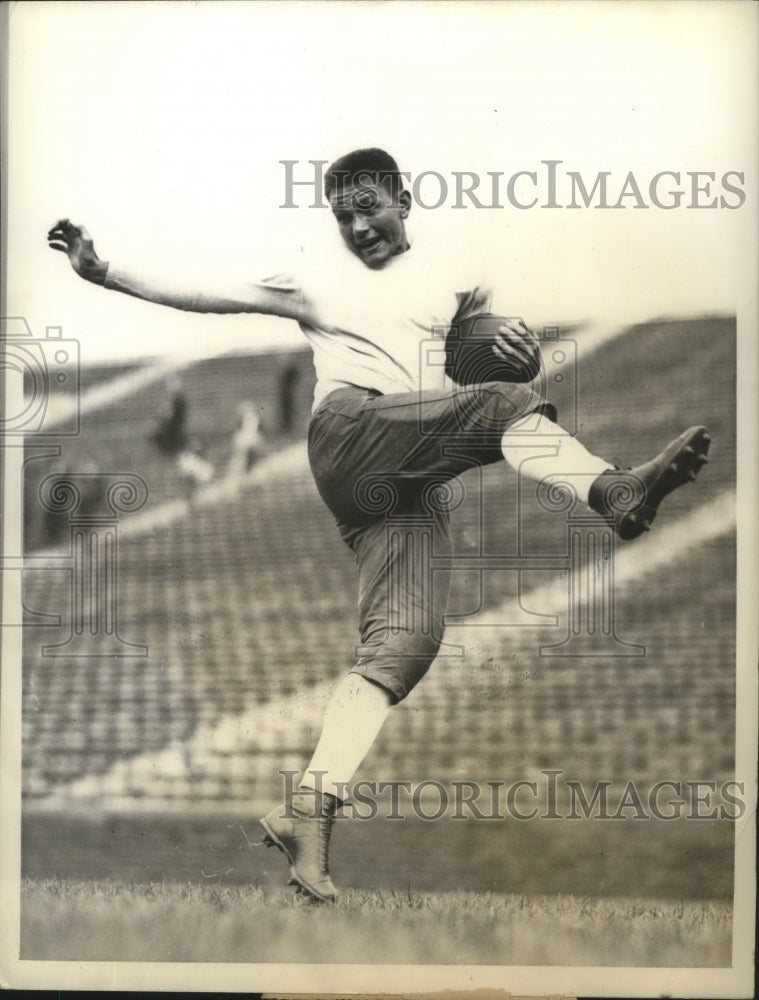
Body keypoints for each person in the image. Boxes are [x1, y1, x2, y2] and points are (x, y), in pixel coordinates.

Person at [47, 147, 710, 904]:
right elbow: (205, 293)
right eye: (344, 216)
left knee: (405, 646)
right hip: (351, 435)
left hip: (408, 476)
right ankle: (612, 491)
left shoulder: (457, 280)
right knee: (497, 409)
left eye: (370, 208)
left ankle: (310, 809)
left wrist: (515, 346)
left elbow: (472, 356)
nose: (358, 226)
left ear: (403, 198)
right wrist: (104, 271)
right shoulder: (312, 276)